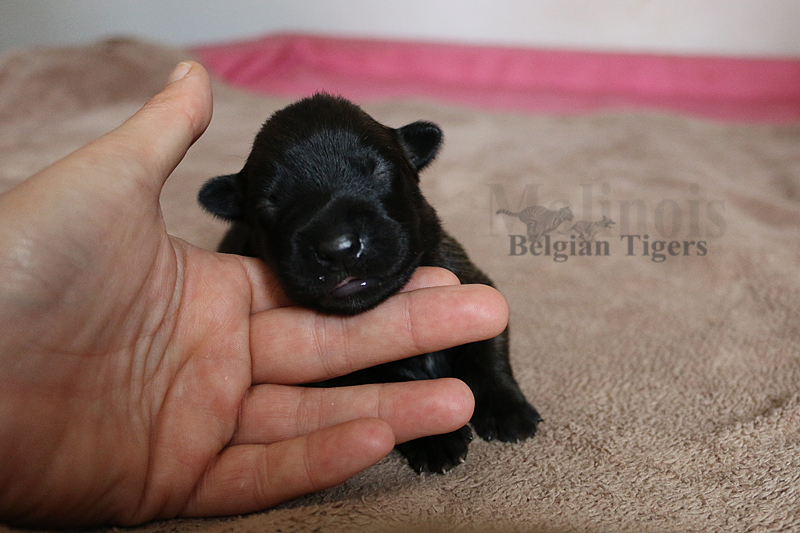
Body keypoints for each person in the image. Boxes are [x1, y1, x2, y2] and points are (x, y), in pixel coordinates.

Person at [0, 62, 509, 527]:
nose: (336, 241)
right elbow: (301, 377)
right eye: (275, 204)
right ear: (241, 213)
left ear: (414, 157)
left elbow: (483, 306)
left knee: (471, 310)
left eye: (376, 173)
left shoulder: (437, 253)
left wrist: (494, 385)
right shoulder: (244, 296)